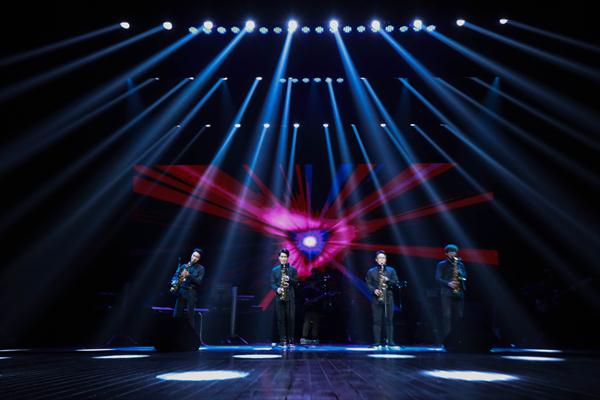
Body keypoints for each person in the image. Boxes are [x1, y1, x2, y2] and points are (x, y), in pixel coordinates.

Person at [365, 250, 401, 347]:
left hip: (388, 298)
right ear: (376, 260)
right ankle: (377, 342)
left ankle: (390, 341)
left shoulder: (391, 270)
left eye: (383, 258)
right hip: (376, 299)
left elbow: (396, 282)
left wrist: (388, 280)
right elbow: (368, 283)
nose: (382, 260)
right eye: (380, 258)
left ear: (386, 260)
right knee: (377, 321)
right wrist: (374, 290)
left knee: (389, 320)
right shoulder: (371, 271)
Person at [435, 244, 467, 340]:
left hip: (459, 292)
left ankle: (458, 338)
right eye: (450, 252)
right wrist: (449, 283)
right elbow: (437, 278)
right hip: (446, 293)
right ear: (446, 253)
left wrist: (460, 273)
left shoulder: (460, 264)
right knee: (447, 316)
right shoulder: (441, 264)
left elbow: (465, 277)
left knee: (459, 316)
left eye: (454, 252)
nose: (453, 253)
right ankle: (447, 339)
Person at [171, 248, 205, 333]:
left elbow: (199, 282)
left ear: (199, 259)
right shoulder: (184, 266)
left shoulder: (201, 268)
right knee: (176, 315)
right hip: (181, 291)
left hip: (191, 292)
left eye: (197, 257)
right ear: (191, 255)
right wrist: (174, 281)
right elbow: (176, 275)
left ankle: (190, 336)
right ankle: (174, 334)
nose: (194, 258)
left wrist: (189, 275)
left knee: (190, 316)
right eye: (193, 255)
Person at [270, 249, 298, 347]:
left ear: (287, 257)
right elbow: (272, 283)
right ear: (279, 258)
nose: (283, 258)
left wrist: (289, 279)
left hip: (290, 297)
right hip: (279, 297)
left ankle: (291, 340)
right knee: (280, 319)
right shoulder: (275, 270)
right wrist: (277, 289)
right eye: (281, 256)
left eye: (285, 256)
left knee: (291, 318)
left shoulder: (293, 270)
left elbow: (296, 283)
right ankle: (283, 340)